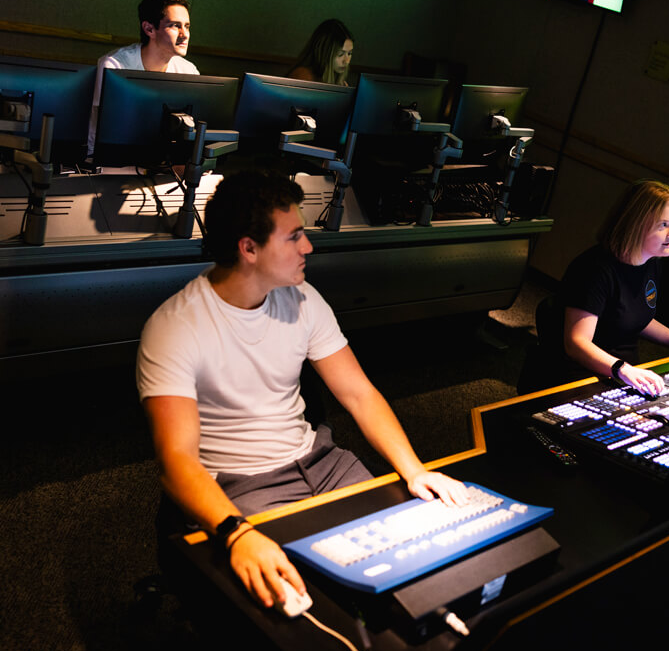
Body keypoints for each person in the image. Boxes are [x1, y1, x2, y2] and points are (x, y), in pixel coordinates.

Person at [136, 170, 467, 608]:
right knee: (308, 601)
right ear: (249, 248)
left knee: (422, 555)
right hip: (244, 486)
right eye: (294, 237)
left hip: (322, 463)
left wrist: (415, 470)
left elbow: (359, 394)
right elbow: (175, 460)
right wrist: (238, 533)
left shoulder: (303, 298)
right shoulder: (175, 328)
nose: (308, 247)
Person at [521, 180, 669, 396]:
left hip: (621, 374)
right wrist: (622, 369)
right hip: (580, 375)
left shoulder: (651, 262)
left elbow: (638, 318)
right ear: (637, 225)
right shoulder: (594, 270)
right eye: (663, 224)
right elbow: (577, 343)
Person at [88, 0, 198, 155]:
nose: (185, 35)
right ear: (149, 29)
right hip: (115, 163)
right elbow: (102, 129)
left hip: (163, 164)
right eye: (175, 26)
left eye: (187, 26)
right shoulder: (114, 66)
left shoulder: (189, 72)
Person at [286, 19, 354, 86]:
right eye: (340, 54)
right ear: (325, 53)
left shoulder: (339, 80)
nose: (347, 61)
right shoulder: (304, 76)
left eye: (349, 53)